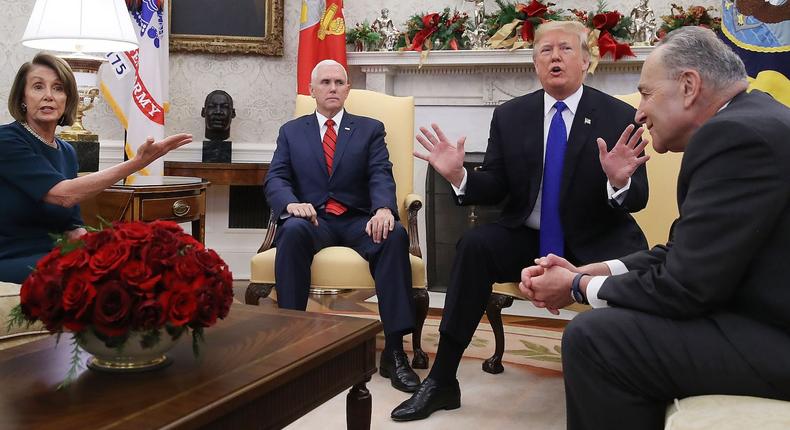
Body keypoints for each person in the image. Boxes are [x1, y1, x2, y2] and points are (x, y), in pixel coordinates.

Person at [520, 26, 790, 430]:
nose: (639, 112)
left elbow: (686, 287)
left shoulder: (734, 136)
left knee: (595, 339)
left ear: (688, 85)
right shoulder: (753, 117)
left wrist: (576, 288)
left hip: (775, 336)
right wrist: (600, 270)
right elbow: (687, 251)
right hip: (764, 313)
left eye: (646, 93)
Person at [391, 20, 650, 421]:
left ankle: (630, 384)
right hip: (528, 236)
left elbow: (639, 198)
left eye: (565, 49)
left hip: (595, 239)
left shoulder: (618, 115)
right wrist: (460, 176)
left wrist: (619, 182)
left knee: (636, 270)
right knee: (474, 246)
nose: (555, 57)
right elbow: (495, 186)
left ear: (586, 60)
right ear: (535, 64)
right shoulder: (512, 115)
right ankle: (442, 380)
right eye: (545, 51)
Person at [264, 59, 420, 393]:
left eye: (339, 82)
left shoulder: (370, 128)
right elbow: (276, 177)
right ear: (312, 90)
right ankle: (293, 345)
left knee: (394, 235)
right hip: (312, 220)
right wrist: (290, 204)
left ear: (348, 89)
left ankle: (394, 351)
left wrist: (382, 209)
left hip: (357, 220)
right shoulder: (292, 131)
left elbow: (381, 172)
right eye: (325, 82)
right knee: (290, 231)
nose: (332, 88)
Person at [0, 52, 192, 283]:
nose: (49, 96)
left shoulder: (67, 152)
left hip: (58, 256)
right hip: (13, 258)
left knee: (139, 267)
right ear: (23, 97)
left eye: (58, 88)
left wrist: (108, 249)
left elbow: (72, 226)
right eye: (38, 87)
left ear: (68, 99)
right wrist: (136, 164)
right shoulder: (7, 140)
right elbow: (63, 195)